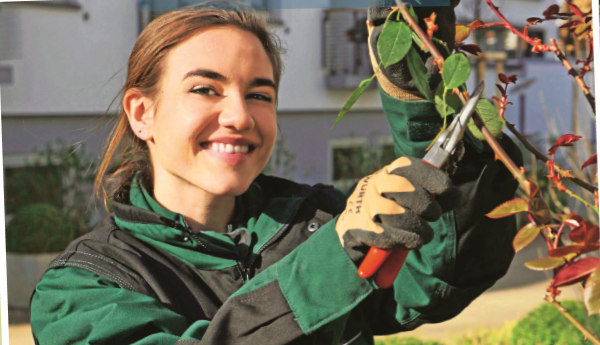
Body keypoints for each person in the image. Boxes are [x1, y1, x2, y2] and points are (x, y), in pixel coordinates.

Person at [30, 1, 522, 344]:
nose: (240, 116)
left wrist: (422, 105)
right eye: (206, 89)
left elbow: (439, 277)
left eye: (260, 95)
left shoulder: (314, 221)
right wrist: (333, 261)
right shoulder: (80, 291)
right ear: (142, 113)